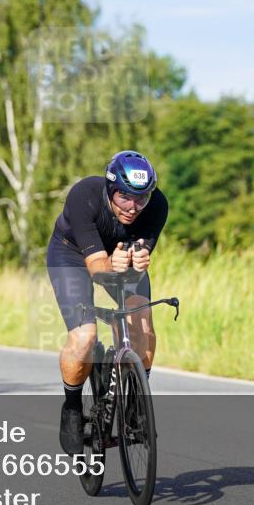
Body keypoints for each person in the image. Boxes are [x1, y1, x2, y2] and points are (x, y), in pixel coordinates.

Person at [46, 150, 168, 455]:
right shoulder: (84, 195)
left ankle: (135, 405)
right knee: (85, 337)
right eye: (125, 197)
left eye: (142, 198)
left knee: (143, 328)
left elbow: (139, 252)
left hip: (119, 256)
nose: (133, 207)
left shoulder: (157, 206)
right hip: (72, 255)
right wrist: (113, 265)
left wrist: (139, 259)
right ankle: (73, 408)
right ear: (110, 188)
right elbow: (97, 267)